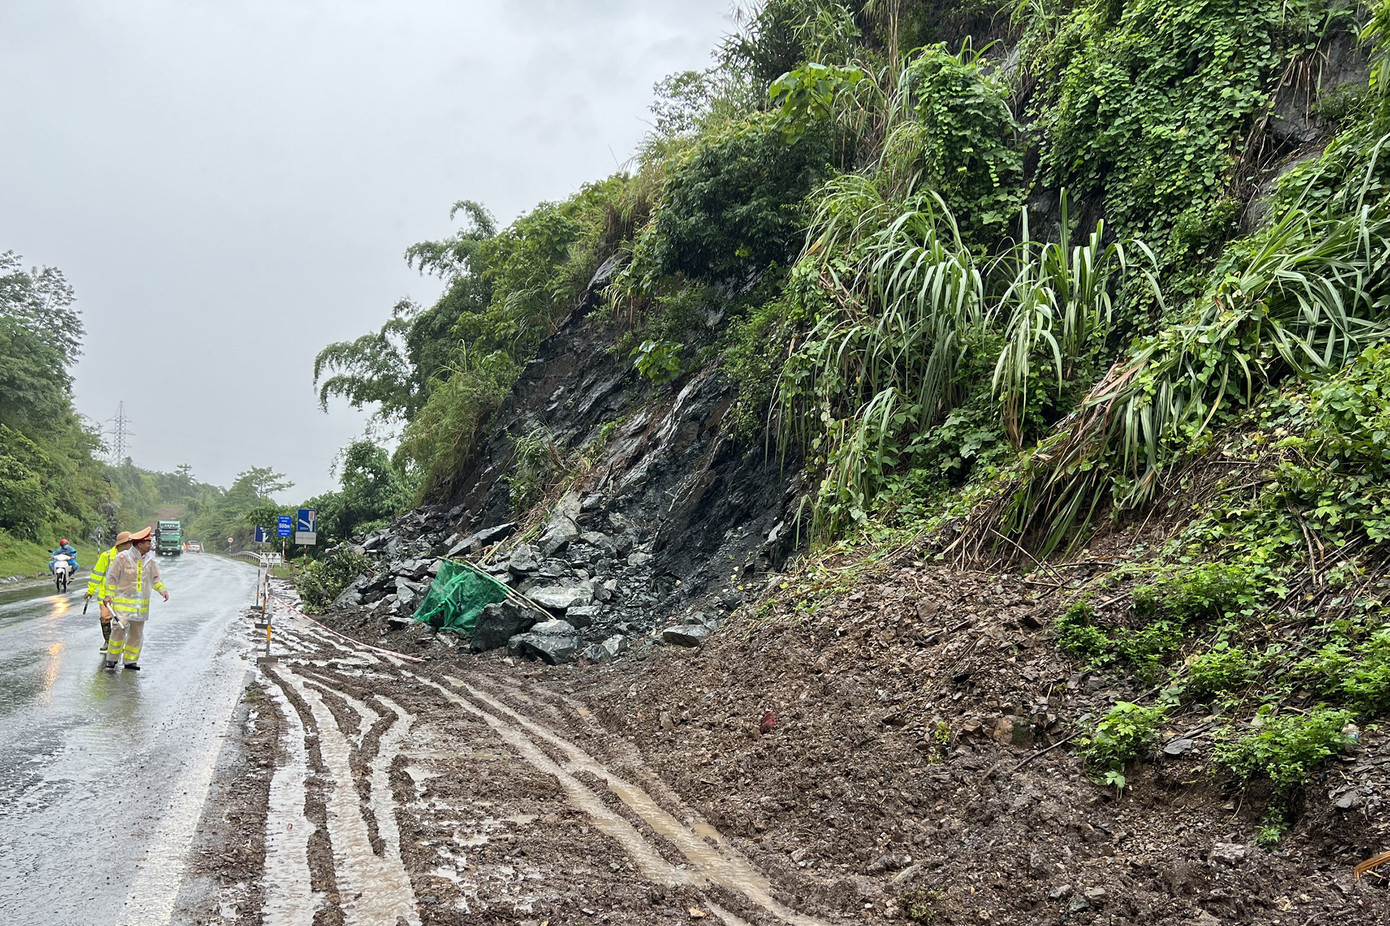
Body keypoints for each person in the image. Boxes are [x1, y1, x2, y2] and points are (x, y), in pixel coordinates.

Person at [101, 527, 169, 671]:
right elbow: (112, 578)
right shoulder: (122, 558)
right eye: (148, 542)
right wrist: (108, 596)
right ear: (139, 544)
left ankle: (130, 661)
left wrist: (162, 591)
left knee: (137, 634)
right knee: (119, 629)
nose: (150, 545)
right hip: (122, 604)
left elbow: (156, 579)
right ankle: (112, 659)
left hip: (140, 607)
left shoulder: (150, 561)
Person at [86, 531, 132, 652]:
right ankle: (108, 641)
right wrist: (90, 591)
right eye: (130, 543)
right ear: (123, 544)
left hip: (123, 595)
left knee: (121, 620)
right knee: (105, 618)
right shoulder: (106, 556)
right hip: (105, 595)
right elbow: (97, 574)